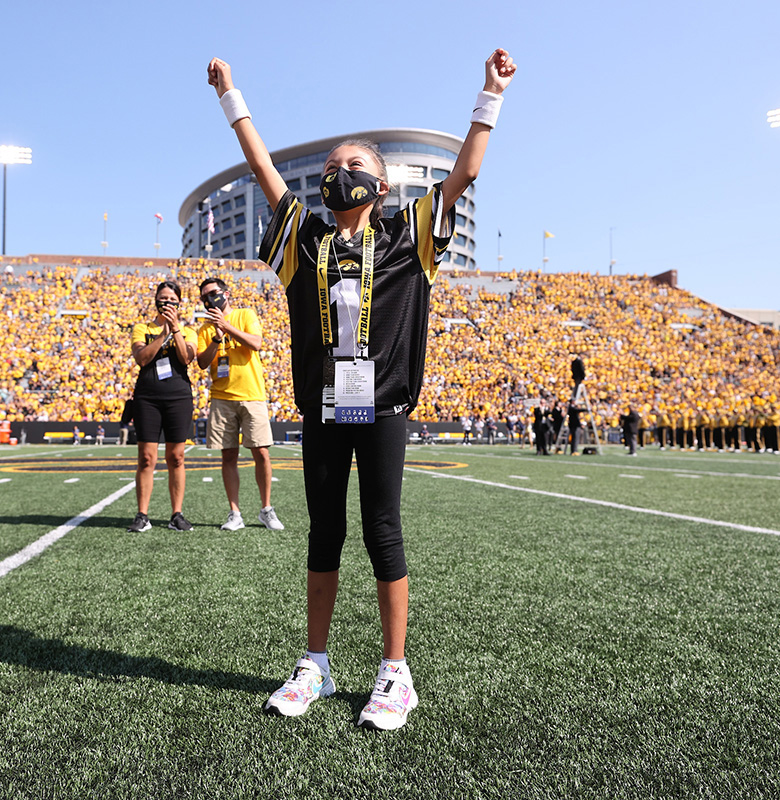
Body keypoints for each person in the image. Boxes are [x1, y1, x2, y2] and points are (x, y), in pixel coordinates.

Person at [208, 47, 516, 731]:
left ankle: (394, 674)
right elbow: (263, 171)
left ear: (381, 185)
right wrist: (234, 101)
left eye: (354, 166)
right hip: (323, 406)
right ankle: (314, 662)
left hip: (383, 407)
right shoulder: (304, 238)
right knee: (324, 532)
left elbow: (464, 172)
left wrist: (489, 95)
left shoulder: (410, 233)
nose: (338, 173)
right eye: (330, 168)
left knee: (383, 531)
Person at [195, 276, 285, 531]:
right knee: (228, 456)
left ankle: (266, 509)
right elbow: (202, 363)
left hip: (252, 393)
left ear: (225, 293)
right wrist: (216, 337)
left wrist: (226, 326)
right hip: (222, 398)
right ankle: (235, 512)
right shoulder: (204, 329)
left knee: (262, 452)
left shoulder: (245, 314)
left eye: (212, 293)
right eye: (204, 297)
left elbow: (256, 343)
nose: (209, 300)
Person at [127, 280, 198, 532]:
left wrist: (175, 329)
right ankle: (142, 514)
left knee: (176, 457)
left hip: (178, 396)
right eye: (163, 299)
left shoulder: (189, 331)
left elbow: (187, 358)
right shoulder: (141, 328)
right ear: (156, 300)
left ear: (179, 303)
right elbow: (142, 359)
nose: (167, 303)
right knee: (146, 458)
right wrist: (163, 335)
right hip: (147, 396)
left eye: (172, 300)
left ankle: (176, 514)